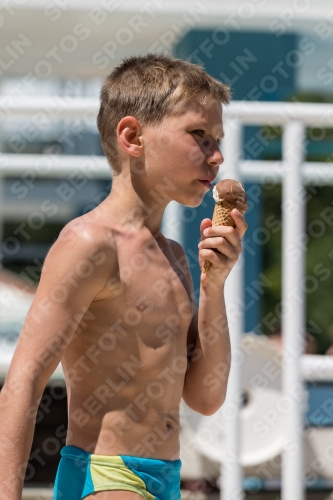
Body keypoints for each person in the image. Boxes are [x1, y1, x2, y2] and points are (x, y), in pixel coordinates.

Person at [0, 54, 247, 500]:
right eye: (199, 135)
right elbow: (24, 380)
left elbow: (206, 397)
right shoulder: (90, 243)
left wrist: (215, 286)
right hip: (107, 476)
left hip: (167, 474)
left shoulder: (173, 256)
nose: (218, 155)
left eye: (218, 139)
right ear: (133, 137)